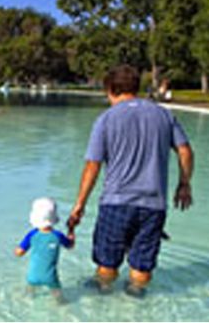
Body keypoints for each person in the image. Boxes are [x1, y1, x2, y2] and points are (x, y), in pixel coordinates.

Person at [67, 64, 194, 295]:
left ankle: (103, 299)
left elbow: (92, 165)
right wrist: (184, 184)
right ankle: (135, 299)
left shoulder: (105, 119)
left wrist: (79, 205)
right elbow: (185, 150)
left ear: (111, 89)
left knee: (107, 265)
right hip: (154, 205)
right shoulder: (164, 115)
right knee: (142, 266)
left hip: (116, 202)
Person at [14, 197, 76, 302]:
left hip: (33, 276)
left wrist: (16, 250)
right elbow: (70, 246)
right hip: (50, 277)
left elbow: (19, 253)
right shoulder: (58, 236)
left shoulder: (32, 235)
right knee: (59, 298)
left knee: (29, 293)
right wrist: (71, 231)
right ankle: (62, 307)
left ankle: (27, 298)